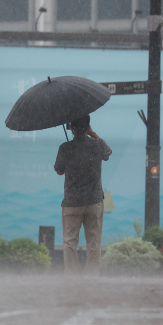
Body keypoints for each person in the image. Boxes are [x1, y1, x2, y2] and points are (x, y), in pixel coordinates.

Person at [54, 115, 112, 275]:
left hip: (72, 203)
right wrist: (92, 133)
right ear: (87, 127)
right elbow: (108, 152)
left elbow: (59, 171)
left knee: (70, 242)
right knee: (94, 242)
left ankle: (73, 276)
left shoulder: (65, 148)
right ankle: (92, 276)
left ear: (71, 128)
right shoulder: (97, 144)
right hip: (94, 201)